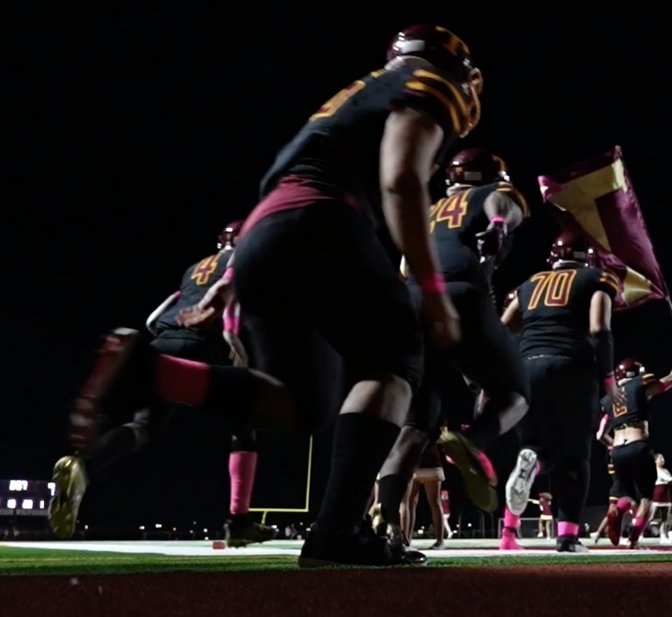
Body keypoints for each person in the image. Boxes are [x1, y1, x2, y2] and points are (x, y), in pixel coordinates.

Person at [62, 24, 482, 567]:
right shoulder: (428, 85)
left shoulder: (356, 93)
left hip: (266, 232)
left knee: (303, 406)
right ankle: (336, 531)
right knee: (395, 359)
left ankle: (153, 372)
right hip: (326, 218)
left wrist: (228, 281)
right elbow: (400, 180)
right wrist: (432, 288)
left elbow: (288, 187)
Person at [50, 221, 273, 548]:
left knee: (144, 426)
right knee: (244, 421)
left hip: (165, 342)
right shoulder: (241, 259)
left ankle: (85, 466)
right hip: (207, 345)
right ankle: (239, 520)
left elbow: (154, 319)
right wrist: (235, 345)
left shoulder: (194, 268)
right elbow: (228, 302)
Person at [375, 147, 532, 539]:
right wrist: (497, 224)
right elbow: (503, 204)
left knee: (414, 425)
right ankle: (469, 442)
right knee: (514, 392)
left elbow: (404, 270)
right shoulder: (490, 194)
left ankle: (386, 518)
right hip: (459, 294)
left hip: (410, 305)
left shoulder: (426, 213)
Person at [498, 233, 624, 552]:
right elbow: (599, 328)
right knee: (574, 456)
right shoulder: (597, 278)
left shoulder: (531, 283)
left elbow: (503, 327)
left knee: (536, 446)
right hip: (572, 368)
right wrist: (609, 378)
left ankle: (534, 463)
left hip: (528, 367)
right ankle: (567, 537)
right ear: (588, 258)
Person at [595, 355, 672, 547]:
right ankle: (633, 540)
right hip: (638, 445)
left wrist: (614, 445)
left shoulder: (609, 398)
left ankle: (617, 511)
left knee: (626, 494)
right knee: (646, 498)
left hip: (618, 450)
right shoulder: (639, 384)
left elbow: (600, 435)